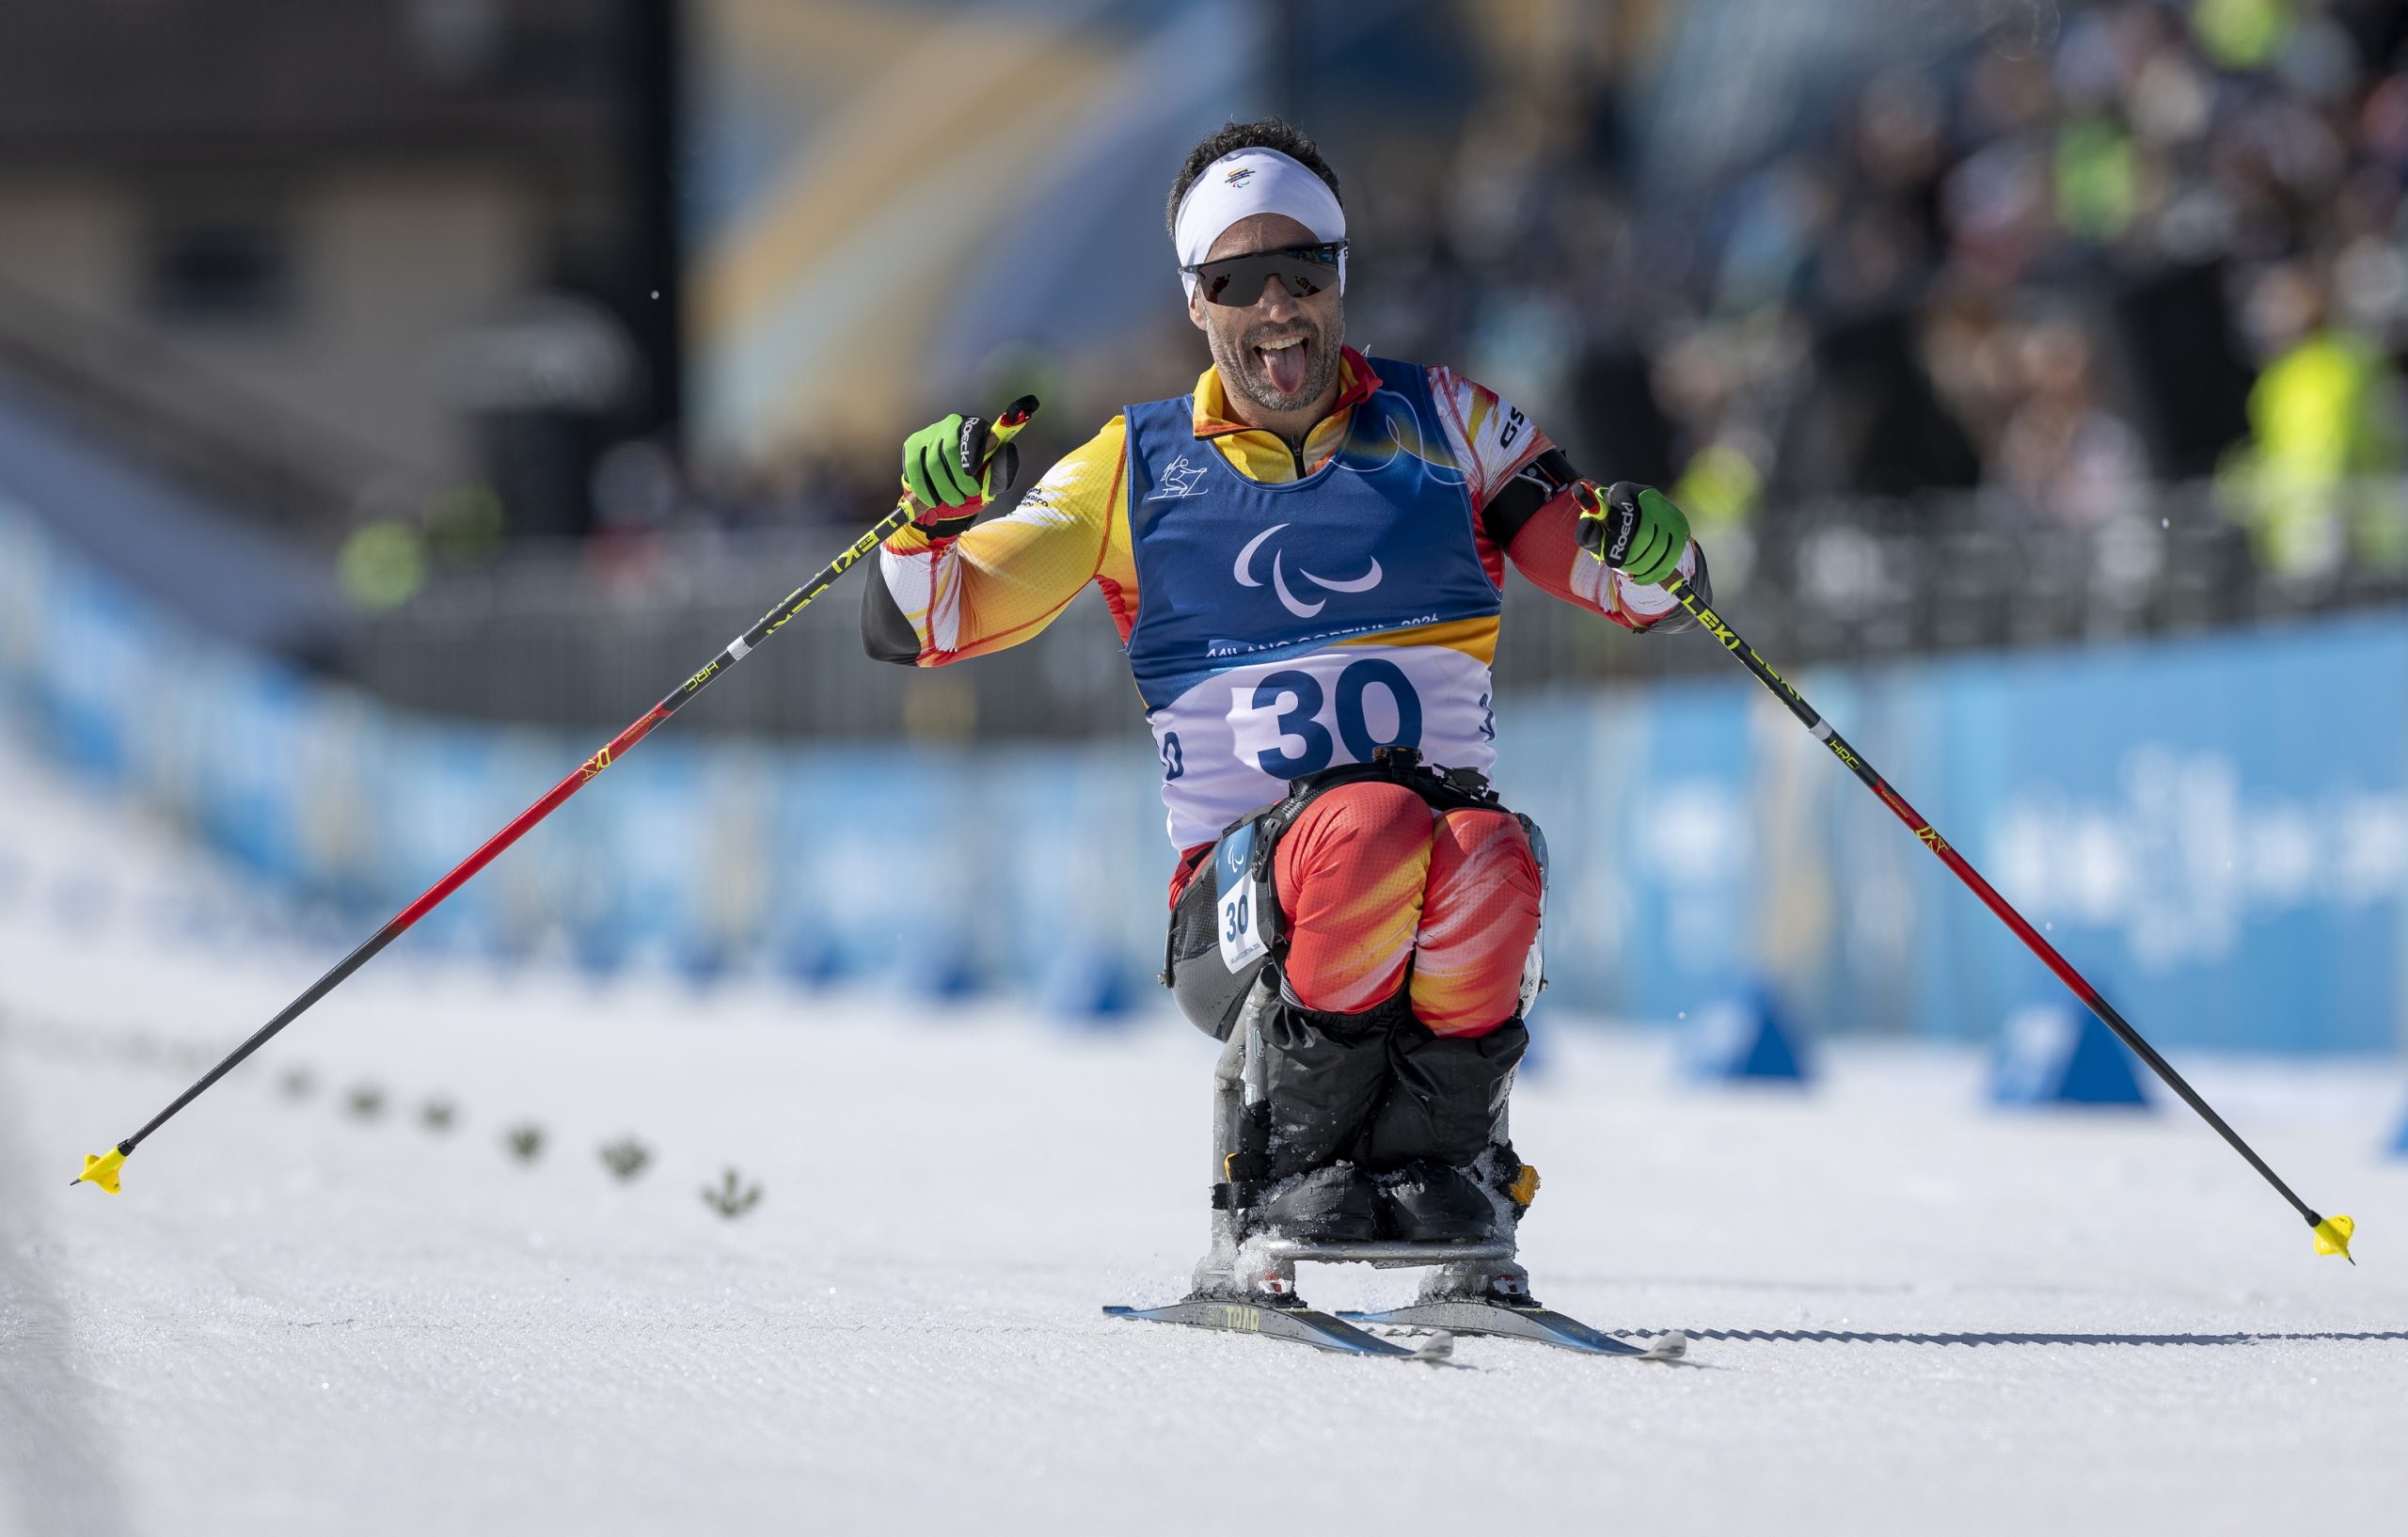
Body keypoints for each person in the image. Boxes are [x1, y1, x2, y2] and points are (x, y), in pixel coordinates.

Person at [863, 119, 1705, 1255]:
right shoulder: (1132, 468)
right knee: (1372, 823)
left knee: (1490, 850)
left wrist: (1663, 550)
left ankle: (1441, 1164)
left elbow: (1624, 585)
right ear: (1196, 302)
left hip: (1430, 876)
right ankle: (1289, 1163)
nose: (1276, 308)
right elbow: (928, 622)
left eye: (1301, 270)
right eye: (1237, 279)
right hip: (1240, 915)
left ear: (1339, 277)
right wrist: (925, 523)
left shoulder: (1445, 424)